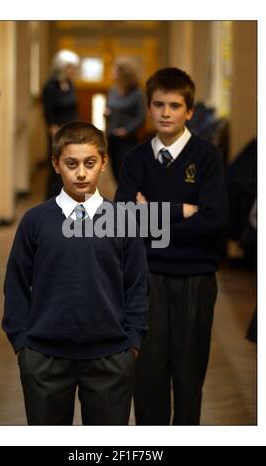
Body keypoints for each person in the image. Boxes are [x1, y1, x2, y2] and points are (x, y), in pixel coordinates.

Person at [2, 121, 148, 425]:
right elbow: (15, 283)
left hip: (111, 357)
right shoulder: (35, 221)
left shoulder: (123, 220)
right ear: (56, 164)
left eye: (89, 163)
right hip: (44, 358)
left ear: (104, 162)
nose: (81, 173)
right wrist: (22, 345)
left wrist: (131, 343)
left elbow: (137, 284)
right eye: (71, 164)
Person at [115, 67, 228, 425]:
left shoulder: (207, 157)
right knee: (147, 380)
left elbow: (214, 222)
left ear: (190, 111)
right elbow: (122, 220)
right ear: (148, 108)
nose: (166, 112)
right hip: (145, 281)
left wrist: (152, 217)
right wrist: (182, 211)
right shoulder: (134, 159)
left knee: (189, 379)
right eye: (159, 104)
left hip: (196, 280)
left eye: (175, 105)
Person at [42, 49, 80, 199]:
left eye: (74, 68)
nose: (73, 71)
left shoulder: (70, 84)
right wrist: (53, 129)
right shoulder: (50, 86)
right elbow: (48, 111)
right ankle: (51, 199)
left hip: (71, 130)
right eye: (70, 68)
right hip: (57, 131)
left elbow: (74, 108)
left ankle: (67, 196)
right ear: (61, 67)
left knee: (71, 164)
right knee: (57, 166)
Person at [104, 57, 145, 182]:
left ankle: (128, 199)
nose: (111, 74)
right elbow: (109, 108)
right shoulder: (112, 90)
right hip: (112, 137)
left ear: (123, 74)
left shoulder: (137, 93)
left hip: (128, 140)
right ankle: (122, 197)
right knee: (115, 172)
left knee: (126, 172)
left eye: (114, 71)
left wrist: (127, 130)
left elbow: (141, 116)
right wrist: (107, 113)